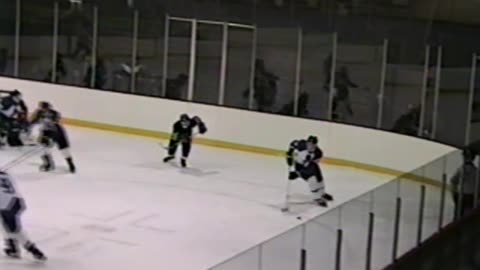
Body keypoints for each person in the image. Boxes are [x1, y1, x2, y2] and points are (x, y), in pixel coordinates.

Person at [0, 171, 46, 260]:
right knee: (6, 224)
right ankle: (12, 246)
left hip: (5, 204)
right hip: (17, 201)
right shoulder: (6, 174)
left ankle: (33, 250)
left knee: (13, 229)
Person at [286, 136, 333, 207]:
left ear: (316, 145)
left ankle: (322, 193)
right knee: (312, 179)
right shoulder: (301, 144)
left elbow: (312, 162)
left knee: (319, 178)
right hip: (299, 165)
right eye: (308, 144)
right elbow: (293, 144)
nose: (310, 146)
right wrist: (289, 154)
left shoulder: (318, 153)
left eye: (312, 144)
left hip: (310, 164)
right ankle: (317, 198)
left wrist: (297, 174)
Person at [30, 102, 76, 173]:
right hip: (47, 132)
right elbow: (33, 121)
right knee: (44, 148)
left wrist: (50, 138)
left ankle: (70, 164)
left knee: (63, 149)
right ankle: (49, 164)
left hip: (57, 132)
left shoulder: (54, 114)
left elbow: (54, 126)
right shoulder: (40, 113)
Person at [451, 149, 480, 218]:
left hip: (462, 196)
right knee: (470, 217)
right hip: (472, 197)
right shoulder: (477, 171)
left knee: (458, 216)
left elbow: (453, 182)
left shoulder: (461, 169)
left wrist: (454, 194)